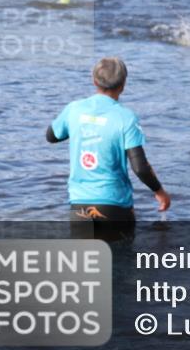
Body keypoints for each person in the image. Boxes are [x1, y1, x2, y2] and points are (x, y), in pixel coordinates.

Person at [46, 57, 171, 229]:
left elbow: (52, 136)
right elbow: (140, 167)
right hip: (115, 206)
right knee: (122, 254)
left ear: (93, 80)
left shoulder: (73, 109)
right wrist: (160, 192)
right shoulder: (126, 117)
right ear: (123, 84)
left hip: (78, 207)